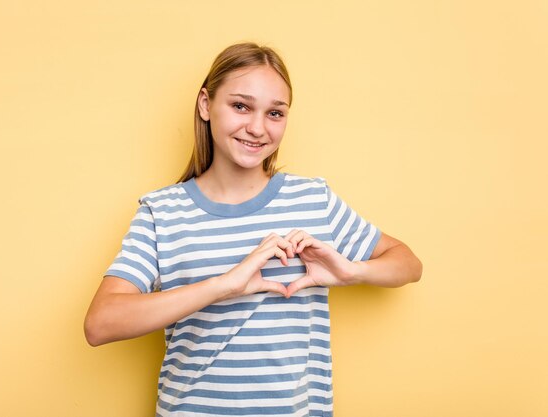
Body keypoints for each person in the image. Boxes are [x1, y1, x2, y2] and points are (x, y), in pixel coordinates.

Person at [84, 42, 422, 417]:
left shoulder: (312, 200)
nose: (257, 128)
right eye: (241, 106)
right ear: (205, 105)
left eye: (275, 113)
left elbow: (407, 263)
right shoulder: (162, 212)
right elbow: (101, 324)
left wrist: (352, 271)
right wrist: (225, 284)